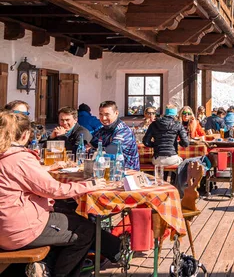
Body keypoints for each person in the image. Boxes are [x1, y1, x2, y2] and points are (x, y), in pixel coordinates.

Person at [0, 111, 122, 276]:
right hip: (16, 230)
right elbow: (54, 189)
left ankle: (45, 266)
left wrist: (47, 168)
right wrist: (90, 184)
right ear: (25, 135)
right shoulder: (19, 159)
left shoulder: (6, 155)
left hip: (8, 223)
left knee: (66, 213)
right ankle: (58, 271)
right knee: (85, 231)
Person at [91, 101, 140, 170]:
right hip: (107, 172)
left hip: (127, 174)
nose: (103, 118)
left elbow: (112, 150)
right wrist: (94, 149)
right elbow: (90, 145)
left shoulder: (124, 130)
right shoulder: (102, 130)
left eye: (107, 114)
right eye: (101, 114)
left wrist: (95, 150)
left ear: (116, 113)